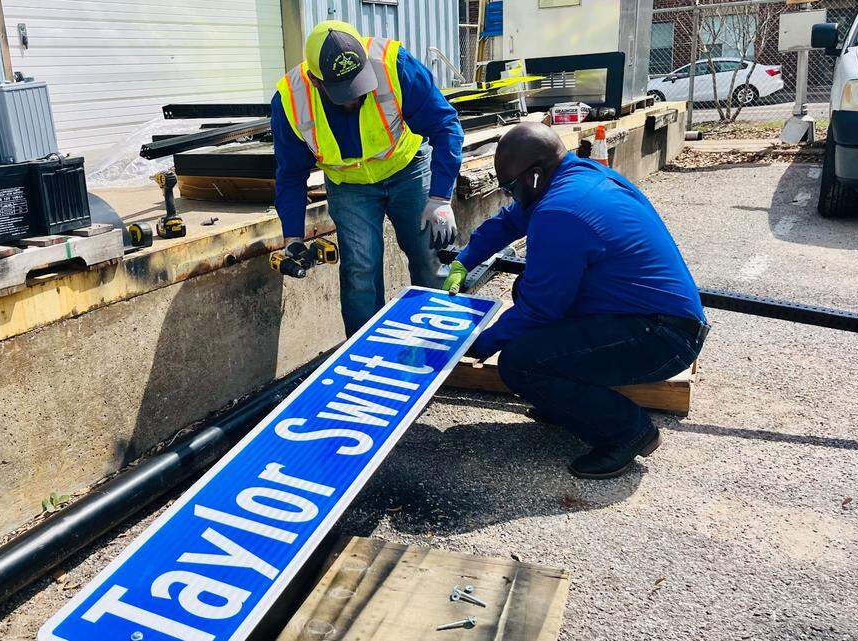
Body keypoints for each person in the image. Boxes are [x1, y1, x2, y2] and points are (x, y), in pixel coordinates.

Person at [443, 123, 709, 480]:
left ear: (534, 176)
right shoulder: (573, 175)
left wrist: (475, 345)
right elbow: (511, 221)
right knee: (526, 291)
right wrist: (466, 258)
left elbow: (540, 309)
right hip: (649, 315)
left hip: (663, 337)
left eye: (510, 187)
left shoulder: (561, 211)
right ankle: (567, 400)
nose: (509, 195)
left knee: (521, 363)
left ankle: (628, 431)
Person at [271, 20, 465, 336]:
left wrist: (441, 198)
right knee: (360, 269)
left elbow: (445, 127)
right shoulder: (290, 99)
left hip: (408, 169)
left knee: (430, 253)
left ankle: (443, 338)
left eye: (358, 86)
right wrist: (293, 238)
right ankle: (365, 348)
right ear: (315, 80)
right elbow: (291, 175)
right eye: (343, 93)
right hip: (349, 186)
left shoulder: (393, 63)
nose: (354, 99)